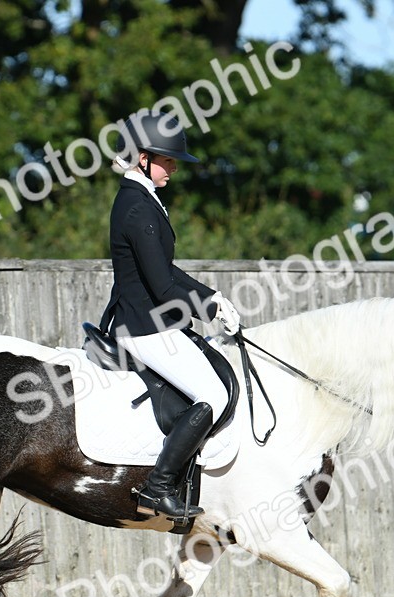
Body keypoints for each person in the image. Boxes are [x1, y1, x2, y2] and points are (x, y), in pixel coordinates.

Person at [99, 112, 241, 520]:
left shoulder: (142, 200)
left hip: (147, 319)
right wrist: (208, 308)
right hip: (144, 326)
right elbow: (162, 288)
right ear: (142, 158)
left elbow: (165, 270)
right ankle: (157, 488)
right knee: (213, 395)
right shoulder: (137, 208)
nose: (175, 167)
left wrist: (212, 297)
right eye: (168, 159)